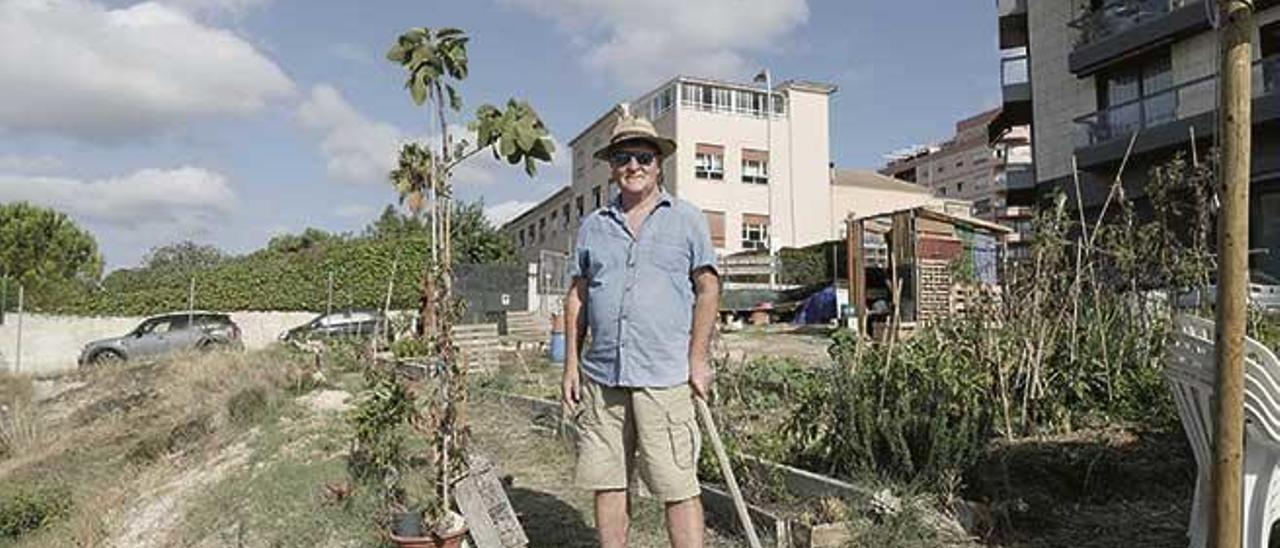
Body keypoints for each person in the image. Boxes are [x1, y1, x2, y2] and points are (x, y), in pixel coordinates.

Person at [561, 105, 721, 548]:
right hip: (602, 376)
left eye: (643, 157)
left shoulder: (687, 219)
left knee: (678, 485)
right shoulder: (593, 226)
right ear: (611, 168)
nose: (633, 166)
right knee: (608, 482)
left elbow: (708, 288)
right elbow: (578, 296)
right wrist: (571, 365)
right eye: (622, 158)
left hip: (664, 376)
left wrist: (698, 359)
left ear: (659, 163)